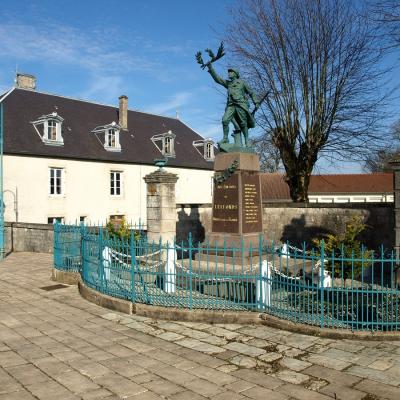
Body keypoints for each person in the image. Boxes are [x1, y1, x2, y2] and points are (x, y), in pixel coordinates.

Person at [207, 64, 259, 147]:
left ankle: (246, 141)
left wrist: (256, 102)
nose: (229, 73)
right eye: (229, 72)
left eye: (231, 72)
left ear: (235, 73)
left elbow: (251, 92)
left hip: (241, 105)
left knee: (243, 123)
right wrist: (210, 68)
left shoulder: (242, 83)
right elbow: (218, 79)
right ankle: (225, 138)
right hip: (231, 105)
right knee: (225, 120)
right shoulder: (228, 83)